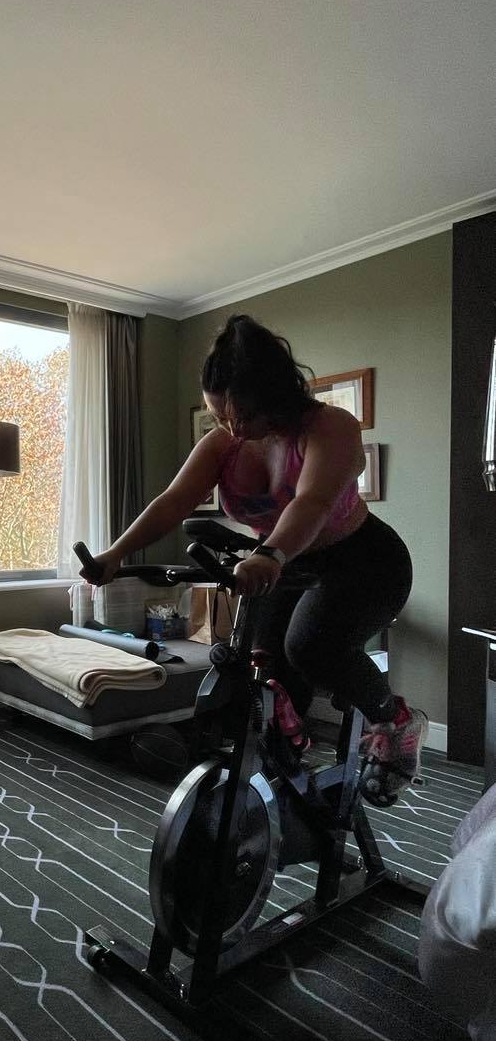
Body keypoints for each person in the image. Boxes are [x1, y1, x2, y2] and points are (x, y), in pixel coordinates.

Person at [81, 313, 427, 804]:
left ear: (274, 395)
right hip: (287, 562)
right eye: (220, 415)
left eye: (239, 417)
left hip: (363, 562)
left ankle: (395, 719)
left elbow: (310, 503)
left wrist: (270, 553)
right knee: (262, 672)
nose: (230, 428)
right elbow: (172, 502)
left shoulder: (330, 428)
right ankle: (289, 785)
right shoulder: (224, 443)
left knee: (309, 647)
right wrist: (114, 554)